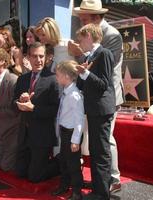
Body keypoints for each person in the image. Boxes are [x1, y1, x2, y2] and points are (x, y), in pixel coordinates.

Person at [71, 0, 124, 193]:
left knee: (104, 142)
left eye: (83, 19)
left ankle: (113, 180)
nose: (80, 23)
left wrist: (80, 57)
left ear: (95, 19)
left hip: (107, 98)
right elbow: (87, 64)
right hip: (93, 100)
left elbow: (104, 71)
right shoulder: (88, 44)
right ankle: (100, 184)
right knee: (95, 145)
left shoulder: (112, 36)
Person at [76, 24, 115, 200]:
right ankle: (98, 187)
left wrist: (85, 74)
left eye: (81, 39)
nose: (79, 42)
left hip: (101, 109)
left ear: (89, 36)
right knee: (95, 149)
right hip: (93, 109)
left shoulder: (104, 53)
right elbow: (85, 85)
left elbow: (103, 84)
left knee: (100, 151)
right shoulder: (89, 56)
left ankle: (102, 193)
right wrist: (80, 75)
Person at [14, 42, 60, 183]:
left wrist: (33, 108)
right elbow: (13, 102)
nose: (38, 60)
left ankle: (62, 164)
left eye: (41, 56)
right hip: (24, 134)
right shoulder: (22, 79)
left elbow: (55, 109)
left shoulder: (53, 79)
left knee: (35, 177)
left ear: (46, 57)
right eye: (34, 56)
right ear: (28, 57)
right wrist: (20, 101)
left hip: (42, 135)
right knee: (20, 173)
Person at [51, 60, 85, 200]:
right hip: (65, 132)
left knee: (73, 165)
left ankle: (77, 192)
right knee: (63, 162)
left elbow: (79, 120)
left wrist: (75, 140)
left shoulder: (74, 95)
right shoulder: (66, 92)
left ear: (66, 76)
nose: (56, 77)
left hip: (72, 134)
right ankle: (64, 186)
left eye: (58, 75)